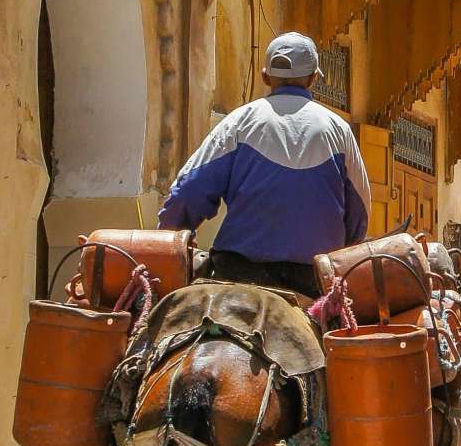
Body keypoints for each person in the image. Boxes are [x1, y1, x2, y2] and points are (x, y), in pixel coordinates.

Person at [158, 32, 370, 297]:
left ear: (265, 77)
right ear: (314, 79)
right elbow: (359, 216)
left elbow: (188, 193)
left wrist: (170, 241)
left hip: (238, 272)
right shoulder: (339, 131)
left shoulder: (239, 123)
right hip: (314, 281)